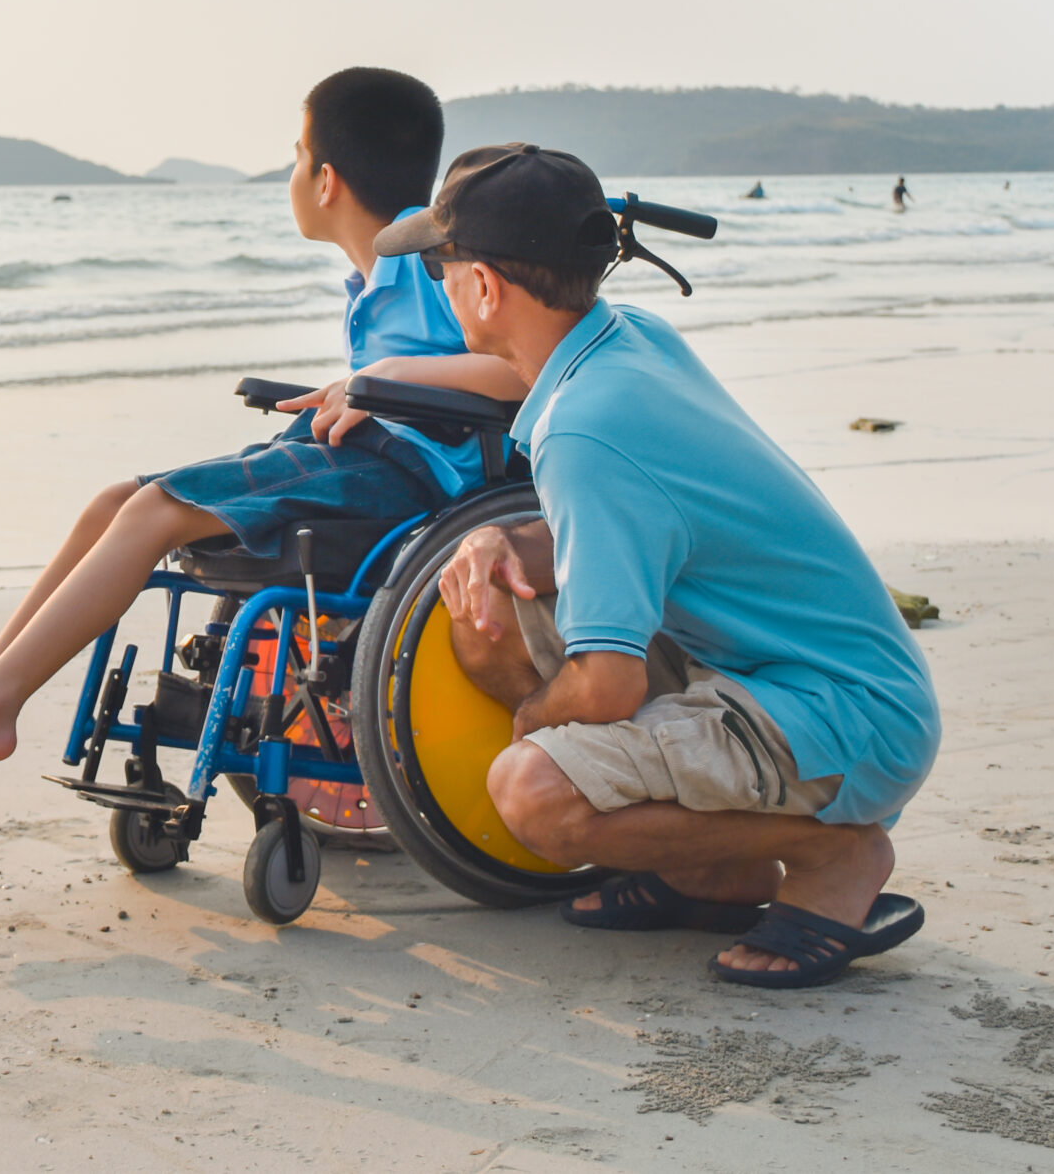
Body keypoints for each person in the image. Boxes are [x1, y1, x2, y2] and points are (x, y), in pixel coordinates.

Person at [0, 68, 528, 778]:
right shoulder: (370, 280)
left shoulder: (429, 267)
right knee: (113, 502)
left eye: (297, 155)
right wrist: (364, 386)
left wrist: (386, 379)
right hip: (364, 458)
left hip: (410, 483)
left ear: (325, 180)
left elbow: (522, 372)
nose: (291, 172)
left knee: (152, 511)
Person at [380, 145, 939, 989]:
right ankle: (719, 871)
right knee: (485, 592)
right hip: (786, 673)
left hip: (841, 713)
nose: (439, 283)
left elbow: (607, 688)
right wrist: (505, 542)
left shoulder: (585, 428)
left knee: (532, 790)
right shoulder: (625, 338)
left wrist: (536, 719)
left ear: (486, 286)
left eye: (438, 265)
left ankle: (834, 855)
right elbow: (637, 525)